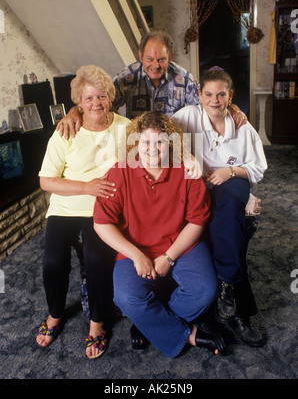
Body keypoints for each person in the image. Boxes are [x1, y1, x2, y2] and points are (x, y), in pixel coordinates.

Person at [93, 111, 226, 358]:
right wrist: (135, 255)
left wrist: (170, 256)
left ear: (171, 144)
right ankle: (189, 334)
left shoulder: (187, 170)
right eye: (145, 142)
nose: (152, 149)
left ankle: (150, 324)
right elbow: (101, 224)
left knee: (206, 290)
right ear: (135, 144)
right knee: (126, 298)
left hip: (181, 244)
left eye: (160, 142)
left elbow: (197, 221)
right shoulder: (119, 171)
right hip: (136, 247)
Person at [36, 65, 130, 359]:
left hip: (103, 208)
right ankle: (54, 314)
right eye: (88, 99)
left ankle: (97, 323)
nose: (95, 104)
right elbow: (45, 181)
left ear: (110, 97)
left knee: (96, 260)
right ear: (78, 102)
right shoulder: (66, 130)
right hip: (65, 207)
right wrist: (86, 187)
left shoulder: (127, 128)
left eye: (101, 96)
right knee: (52, 262)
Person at [172, 67, 268, 347]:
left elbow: (258, 167)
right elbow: (161, 131)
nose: (215, 100)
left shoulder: (243, 126)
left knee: (229, 203)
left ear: (231, 96)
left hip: (232, 184)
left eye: (221, 94)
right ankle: (234, 304)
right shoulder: (188, 116)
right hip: (198, 186)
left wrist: (231, 171)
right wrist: (186, 154)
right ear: (199, 95)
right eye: (209, 94)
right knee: (228, 234)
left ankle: (228, 288)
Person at [56, 30, 247, 138]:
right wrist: (74, 111)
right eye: (149, 59)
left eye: (162, 60)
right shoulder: (126, 78)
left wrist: (232, 107)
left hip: (173, 143)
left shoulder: (185, 79)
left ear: (170, 56)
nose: (155, 65)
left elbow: (209, 104)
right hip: (137, 143)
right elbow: (100, 103)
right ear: (140, 55)